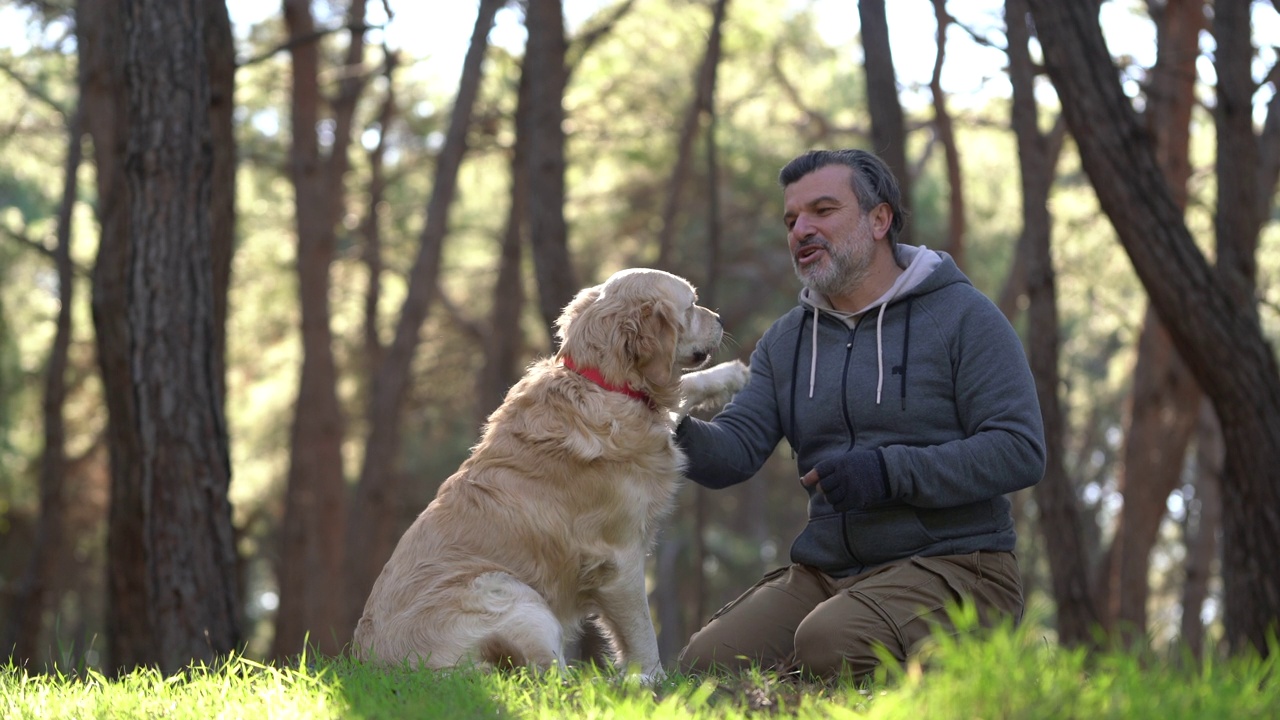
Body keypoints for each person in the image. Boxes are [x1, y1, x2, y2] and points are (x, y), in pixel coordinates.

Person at [674, 148, 1046, 679]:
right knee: (705, 667)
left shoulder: (964, 316)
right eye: (791, 219)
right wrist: (662, 419)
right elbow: (732, 453)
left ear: (879, 219)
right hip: (830, 575)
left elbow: (1020, 450)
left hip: (961, 568)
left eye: (823, 211)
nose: (801, 229)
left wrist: (890, 472)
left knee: (829, 642)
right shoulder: (787, 340)